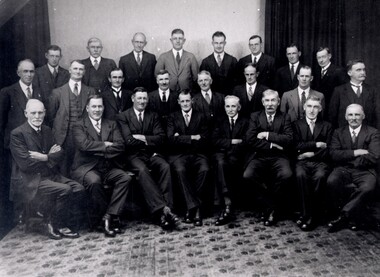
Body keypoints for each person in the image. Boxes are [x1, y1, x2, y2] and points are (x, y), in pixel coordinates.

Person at [10, 99, 85, 240]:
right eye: (33, 113)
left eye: (40, 112)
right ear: (26, 113)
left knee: (79, 188)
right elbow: (26, 164)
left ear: (44, 113)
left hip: (50, 175)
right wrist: (50, 156)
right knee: (65, 189)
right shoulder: (17, 134)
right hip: (32, 180)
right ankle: (53, 222)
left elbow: (60, 153)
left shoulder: (47, 130)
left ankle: (60, 219)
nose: (37, 116)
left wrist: (44, 157)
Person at [116, 87, 179, 230]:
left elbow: (161, 138)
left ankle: (166, 210)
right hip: (132, 156)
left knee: (165, 166)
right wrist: (149, 139)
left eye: (145, 98)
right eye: (139, 98)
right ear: (133, 99)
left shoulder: (153, 115)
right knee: (143, 170)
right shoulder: (123, 116)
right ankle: (163, 211)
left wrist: (141, 137)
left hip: (151, 154)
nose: (142, 101)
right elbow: (128, 141)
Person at [71, 95, 131, 237]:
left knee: (125, 178)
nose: (97, 110)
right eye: (94, 106)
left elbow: (120, 146)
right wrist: (105, 145)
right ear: (87, 108)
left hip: (107, 166)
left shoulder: (111, 124)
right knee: (94, 181)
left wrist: (97, 150)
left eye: (99, 106)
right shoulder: (79, 125)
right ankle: (103, 219)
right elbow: (84, 145)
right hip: (86, 168)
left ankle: (109, 215)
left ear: (103, 108)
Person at [0, 59, 43, 225]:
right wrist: (6, 143)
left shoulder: (39, 91)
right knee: (18, 177)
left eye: (32, 71)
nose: (29, 75)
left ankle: (33, 211)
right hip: (16, 142)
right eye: (25, 71)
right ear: (18, 73)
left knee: (34, 175)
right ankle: (20, 214)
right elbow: (1, 120)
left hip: (34, 140)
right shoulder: (8, 92)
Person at [326, 104, 380, 232]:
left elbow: (374, 156)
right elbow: (334, 154)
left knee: (368, 187)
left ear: (363, 116)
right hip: (342, 169)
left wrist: (348, 158)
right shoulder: (338, 132)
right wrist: (356, 152)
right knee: (331, 182)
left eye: (357, 115)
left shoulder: (373, 133)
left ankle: (344, 215)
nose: (354, 118)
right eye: (350, 115)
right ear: (345, 117)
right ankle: (354, 216)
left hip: (365, 171)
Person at [244, 89, 293, 226]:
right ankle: (272, 205)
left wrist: (267, 135)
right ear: (262, 102)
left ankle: (270, 208)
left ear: (278, 102)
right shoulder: (255, 116)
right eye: (267, 100)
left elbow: (288, 139)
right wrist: (272, 145)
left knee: (286, 175)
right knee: (248, 175)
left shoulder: (285, 117)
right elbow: (250, 139)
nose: (270, 104)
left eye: (273, 101)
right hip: (259, 155)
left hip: (279, 157)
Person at [167, 90, 210, 226]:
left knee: (205, 169)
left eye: (187, 100)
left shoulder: (201, 116)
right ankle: (195, 208)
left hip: (198, 153)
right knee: (180, 170)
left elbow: (204, 140)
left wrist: (180, 138)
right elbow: (170, 140)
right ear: (178, 102)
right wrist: (192, 137)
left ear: (192, 101)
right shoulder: (172, 117)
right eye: (182, 101)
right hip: (179, 155)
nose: (185, 103)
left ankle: (191, 208)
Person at [48, 60, 96, 177]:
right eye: (75, 68)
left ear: (84, 72)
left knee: (82, 170)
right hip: (64, 139)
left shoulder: (90, 91)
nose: (78, 71)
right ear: (70, 70)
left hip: (84, 137)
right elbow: (51, 117)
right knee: (64, 170)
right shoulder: (57, 92)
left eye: (80, 69)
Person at [292, 96, 333, 231]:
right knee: (300, 176)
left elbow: (329, 149)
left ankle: (313, 216)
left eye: (315, 107)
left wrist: (310, 154)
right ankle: (305, 213)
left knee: (320, 177)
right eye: (309, 106)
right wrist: (315, 144)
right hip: (302, 163)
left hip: (320, 162)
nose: (312, 110)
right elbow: (295, 145)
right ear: (304, 108)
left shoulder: (327, 126)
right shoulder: (296, 124)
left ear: (320, 109)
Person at [212, 95, 249, 225]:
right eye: (227, 106)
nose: (230, 109)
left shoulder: (245, 121)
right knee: (221, 163)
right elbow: (215, 140)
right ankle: (228, 202)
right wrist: (232, 141)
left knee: (231, 163)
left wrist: (228, 145)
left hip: (237, 154)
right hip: (221, 153)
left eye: (233, 106)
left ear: (239, 107)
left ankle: (227, 205)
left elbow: (246, 141)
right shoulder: (219, 120)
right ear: (224, 107)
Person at [329, 59, 380, 130]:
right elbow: (332, 116)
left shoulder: (372, 90)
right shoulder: (339, 91)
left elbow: (377, 115)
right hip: (345, 136)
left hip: (368, 136)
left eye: (364, 70)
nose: (363, 72)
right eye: (358, 70)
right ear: (349, 73)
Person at [311, 47, 348, 113]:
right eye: (319, 58)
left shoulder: (339, 71)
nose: (321, 60)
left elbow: (344, 93)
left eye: (323, 57)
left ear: (329, 56)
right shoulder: (315, 72)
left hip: (333, 109)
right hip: (318, 109)